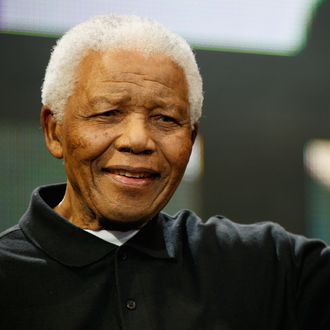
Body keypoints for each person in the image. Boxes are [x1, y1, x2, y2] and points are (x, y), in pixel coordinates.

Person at [0, 14, 329, 330]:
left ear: (191, 137)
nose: (139, 140)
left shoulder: (268, 265)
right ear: (53, 131)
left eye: (166, 119)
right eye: (109, 113)